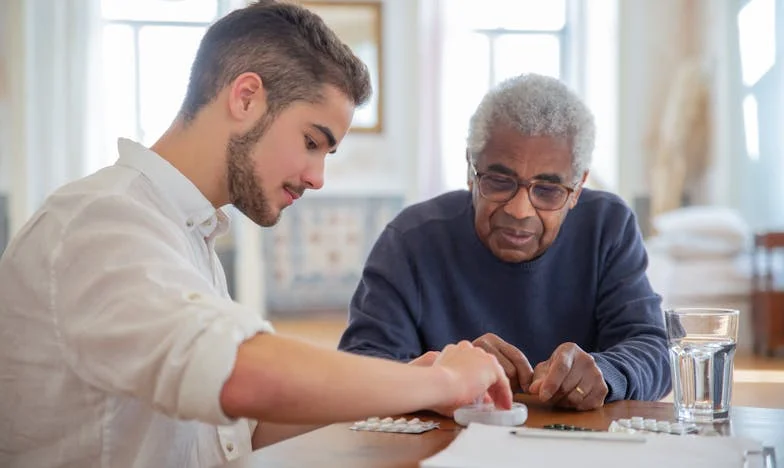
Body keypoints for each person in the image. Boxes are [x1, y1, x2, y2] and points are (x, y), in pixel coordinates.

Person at [0, 2, 512, 467]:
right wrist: (438, 379)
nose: (317, 177)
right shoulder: (99, 220)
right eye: (312, 141)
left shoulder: (184, 232)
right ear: (246, 97)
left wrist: (407, 389)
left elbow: (242, 427)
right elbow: (240, 374)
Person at [338, 73, 672, 412]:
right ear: (471, 170)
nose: (519, 210)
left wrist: (607, 370)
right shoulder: (411, 239)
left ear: (578, 187)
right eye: (499, 181)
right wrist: (448, 374)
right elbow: (361, 370)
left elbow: (654, 350)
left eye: (548, 190)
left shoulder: (608, 227)